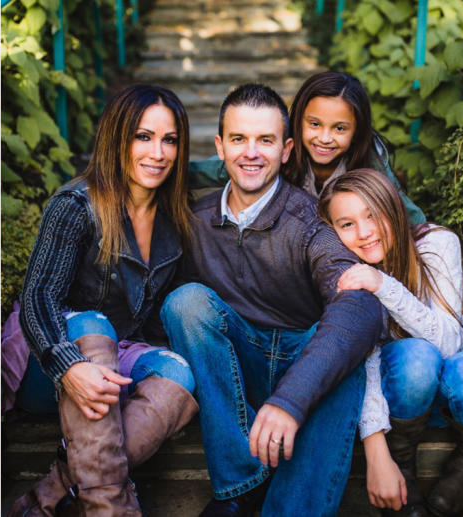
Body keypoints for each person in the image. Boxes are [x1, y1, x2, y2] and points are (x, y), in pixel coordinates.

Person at [159, 83, 384, 516]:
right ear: (219, 147)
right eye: (239, 139)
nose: (251, 152)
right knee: (185, 302)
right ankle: (240, 486)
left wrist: (290, 400)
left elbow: (361, 308)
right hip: (234, 366)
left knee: (344, 351)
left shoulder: (310, 221)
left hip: (303, 364)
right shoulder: (195, 220)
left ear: (286, 150)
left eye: (265, 140)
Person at [4, 84, 199, 516]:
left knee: (178, 376)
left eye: (170, 140)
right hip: (49, 363)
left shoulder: (174, 217)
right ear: (118, 137)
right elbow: (38, 298)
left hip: (116, 370)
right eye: (143, 137)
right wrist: (66, 365)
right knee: (94, 325)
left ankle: (54, 490)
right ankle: (112, 507)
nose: (158, 153)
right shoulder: (76, 205)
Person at [319, 168, 463, 517]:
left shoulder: (437, 244)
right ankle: (403, 462)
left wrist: (384, 286)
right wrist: (378, 448)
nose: (364, 233)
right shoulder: (342, 270)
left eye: (372, 215)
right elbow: (362, 363)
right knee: (415, 357)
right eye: (346, 224)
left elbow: (451, 341)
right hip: (396, 405)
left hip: (451, 397)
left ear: (393, 208)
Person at [189, 71, 425, 225]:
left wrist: (430, 241)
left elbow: (406, 212)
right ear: (298, 120)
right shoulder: (279, 150)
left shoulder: (369, 159)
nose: (324, 138)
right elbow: (216, 169)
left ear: (356, 132)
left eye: (340, 129)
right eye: (314, 124)